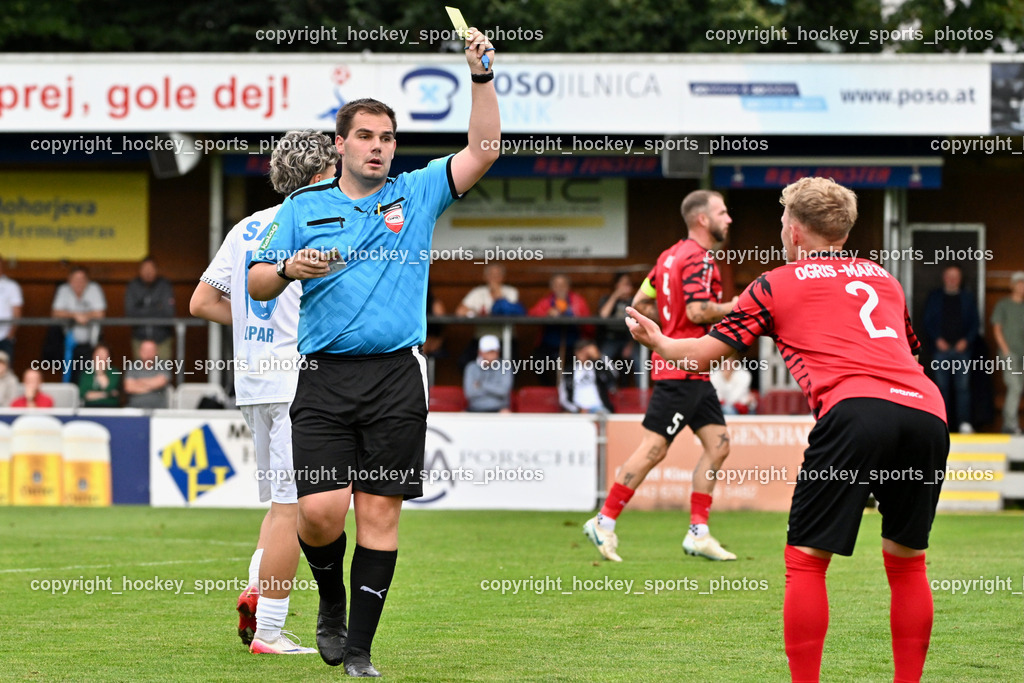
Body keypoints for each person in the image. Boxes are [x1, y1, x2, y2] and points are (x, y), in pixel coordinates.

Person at [247, 29, 499, 678]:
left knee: (380, 516)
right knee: (321, 511)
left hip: (394, 376)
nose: (379, 147)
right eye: (366, 136)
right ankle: (329, 598)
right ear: (340, 144)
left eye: (387, 138)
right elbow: (254, 281)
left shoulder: (416, 194)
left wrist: (480, 77)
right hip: (325, 378)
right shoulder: (305, 207)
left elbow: (484, 149)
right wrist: (288, 268)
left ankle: (359, 649)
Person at [626, 177, 948, 683]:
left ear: (795, 231)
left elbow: (701, 356)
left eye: (781, 222)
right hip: (927, 412)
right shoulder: (885, 279)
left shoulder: (776, 283)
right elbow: (911, 352)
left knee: (806, 562)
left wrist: (659, 342)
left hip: (855, 411)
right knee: (908, 564)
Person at [192, 129, 338, 655]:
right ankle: (270, 632)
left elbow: (202, 301)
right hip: (301, 379)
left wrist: (250, 327)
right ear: (323, 173)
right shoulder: (320, 224)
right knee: (292, 508)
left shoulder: (246, 228)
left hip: (254, 380)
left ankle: (257, 586)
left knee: (283, 503)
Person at [583, 190, 738, 563]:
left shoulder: (668, 257)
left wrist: (665, 326)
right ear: (703, 219)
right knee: (653, 449)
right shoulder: (699, 259)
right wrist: (741, 305)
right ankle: (603, 521)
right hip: (682, 368)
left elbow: (638, 304)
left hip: (691, 371)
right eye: (722, 211)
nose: (729, 218)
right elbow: (700, 311)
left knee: (718, 444)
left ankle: (698, 533)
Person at [923, 265, 979, 433]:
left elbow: (975, 323)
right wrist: (937, 339)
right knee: (941, 387)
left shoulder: (968, 297)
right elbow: (927, 321)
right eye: (950, 275)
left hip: (963, 350)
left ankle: (964, 423)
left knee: (963, 388)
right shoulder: (935, 297)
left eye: (956, 276)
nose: (952, 279)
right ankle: (942, 422)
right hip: (941, 350)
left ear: (960, 279)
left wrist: (966, 341)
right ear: (944, 277)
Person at [529, 274, 593, 383]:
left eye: (563, 285)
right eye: (557, 285)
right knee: (536, 361)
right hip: (549, 344)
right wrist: (547, 313)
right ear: (552, 288)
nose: (560, 288)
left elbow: (588, 323)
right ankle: (548, 388)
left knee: (572, 368)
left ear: (568, 287)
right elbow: (532, 314)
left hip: (573, 344)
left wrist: (571, 313)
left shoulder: (577, 300)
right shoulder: (547, 301)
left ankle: (569, 388)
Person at [51, 266, 106, 381]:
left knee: (87, 375)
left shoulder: (94, 288)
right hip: (67, 343)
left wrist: (86, 316)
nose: (79, 283)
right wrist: (75, 315)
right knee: (69, 375)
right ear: (69, 280)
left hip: (91, 344)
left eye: (82, 279)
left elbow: (101, 313)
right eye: (75, 279)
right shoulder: (63, 290)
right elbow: (55, 313)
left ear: (87, 281)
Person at [125, 256, 176, 360]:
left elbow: (168, 313)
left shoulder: (164, 285)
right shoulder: (133, 285)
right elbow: (130, 313)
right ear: (140, 271)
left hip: (162, 339)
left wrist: (141, 308)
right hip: (139, 338)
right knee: (140, 373)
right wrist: (156, 307)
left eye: (151, 269)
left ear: (156, 270)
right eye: (145, 269)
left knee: (163, 372)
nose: (148, 272)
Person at [992, 271, 1024, 434]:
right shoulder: (1003, 304)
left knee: (1018, 388)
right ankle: (1009, 424)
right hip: (1009, 354)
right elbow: (997, 328)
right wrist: (1006, 351)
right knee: (1015, 386)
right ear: (1012, 285)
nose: (1021, 286)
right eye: (1019, 283)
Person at [559, 339, 616, 414]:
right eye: (581, 351)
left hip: (598, 408)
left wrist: (598, 357)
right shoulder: (569, 371)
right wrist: (577, 409)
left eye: (586, 352)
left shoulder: (597, 367)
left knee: (603, 415)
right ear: (576, 353)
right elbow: (563, 397)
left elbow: (613, 377)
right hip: (576, 410)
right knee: (564, 418)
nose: (584, 354)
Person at [463, 334, 513, 413]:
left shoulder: (505, 367)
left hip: (499, 409)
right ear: (480, 353)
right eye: (488, 352)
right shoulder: (471, 367)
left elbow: (503, 391)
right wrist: (495, 389)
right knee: (462, 416)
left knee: (506, 413)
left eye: (494, 352)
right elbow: (470, 393)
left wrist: (481, 385)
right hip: (475, 409)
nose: (492, 355)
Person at [597, 272, 636, 369]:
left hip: (629, 339)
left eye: (629, 284)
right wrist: (615, 295)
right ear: (617, 285)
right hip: (611, 338)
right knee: (603, 360)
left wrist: (630, 344)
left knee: (640, 359)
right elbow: (603, 315)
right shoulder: (607, 298)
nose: (627, 287)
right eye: (625, 284)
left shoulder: (634, 301)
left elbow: (639, 324)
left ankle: (642, 385)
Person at [123, 339, 170, 409]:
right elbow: (129, 387)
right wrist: (152, 386)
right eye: (145, 350)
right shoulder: (132, 366)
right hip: (134, 409)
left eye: (151, 350)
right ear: (139, 351)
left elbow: (160, 382)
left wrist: (138, 382)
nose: (148, 353)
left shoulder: (163, 365)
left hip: (158, 409)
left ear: (156, 352)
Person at [0, 256, 23, 362]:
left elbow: (17, 313)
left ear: (2, 265)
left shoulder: (12, 286)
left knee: (6, 373)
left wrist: (10, 336)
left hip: (5, 337)